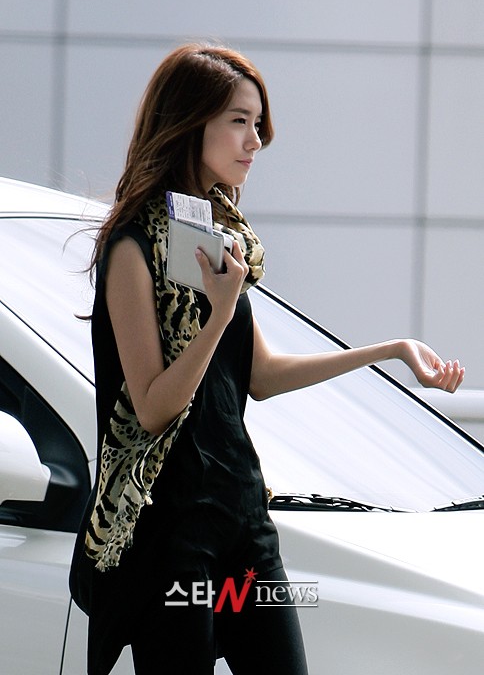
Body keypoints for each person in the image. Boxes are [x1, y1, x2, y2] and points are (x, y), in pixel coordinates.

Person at [69, 42, 464, 675]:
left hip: (241, 518)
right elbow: (152, 408)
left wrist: (391, 350)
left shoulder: (216, 240)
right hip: (170, 535)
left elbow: (259, 377)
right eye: (239, 121)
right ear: (189, 122)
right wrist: (219, 313)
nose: (255, 141)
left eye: (257, 124)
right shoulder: (131, 248)